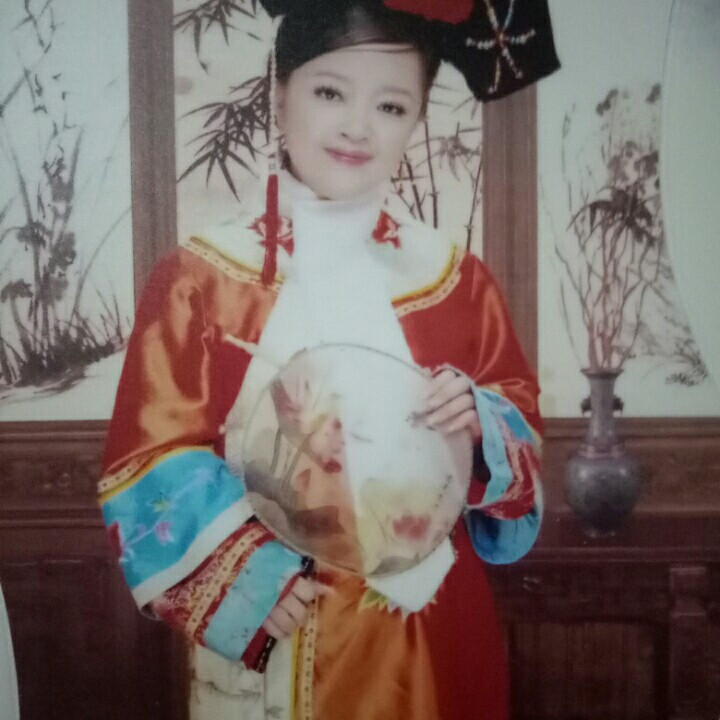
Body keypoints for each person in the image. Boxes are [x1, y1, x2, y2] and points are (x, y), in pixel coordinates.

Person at [98, 1, 558, 718]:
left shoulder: (455, 279)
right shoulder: (201, 278)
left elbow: (520, 423)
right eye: (330, 92)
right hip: (284, 620)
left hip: (433, 628)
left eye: (390, 105)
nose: (356, 126)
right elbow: (148, 454)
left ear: (417, 119)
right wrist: (245, 579)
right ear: (281, 92)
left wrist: (480, 427)